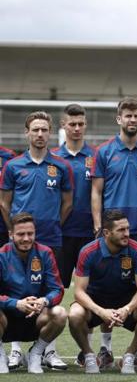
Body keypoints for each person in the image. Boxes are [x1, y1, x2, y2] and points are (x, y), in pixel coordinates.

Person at [91, 97, 137, 368]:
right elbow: (96, 191)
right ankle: (105, 349)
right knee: (105, 287)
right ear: (119, 119)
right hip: (110, 231)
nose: (132, 120)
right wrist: (99, 225)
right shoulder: (104, 151)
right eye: (128, 116)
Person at [0, 111, 73, 370]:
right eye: (36, 130)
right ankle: (15, 351)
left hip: (51, 239)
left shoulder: (61, 166)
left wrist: (52, 224)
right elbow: (4, 202)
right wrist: (16, 231)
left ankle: (47, 351)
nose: (40, 134)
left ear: (50, 133)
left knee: (50, 293)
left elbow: (67, 203)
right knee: (16, 289)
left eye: (44, 130)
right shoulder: (13, 166)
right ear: (27, 132)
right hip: (18, 240)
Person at [52, 104, 105, 368]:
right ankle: (49, 349)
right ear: (63, 125)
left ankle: (88, 351)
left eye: (80, 123)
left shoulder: (96, 157)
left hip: (90, 236)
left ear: (85, 125)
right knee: (54, 291)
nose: (76, 128)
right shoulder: (52, 157)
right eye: (71, 123)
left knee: (91, 293)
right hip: (59, 236)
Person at [68, 210, 137, 374]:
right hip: (96, 301)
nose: (127, 233)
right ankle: (89, 355)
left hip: (126, 300)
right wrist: (101, 311)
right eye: (121, 230)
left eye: (127, 229)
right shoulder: (88, 251)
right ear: (106, 233)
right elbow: (78, 292)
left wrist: (127, 309)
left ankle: (130, 355)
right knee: (74, 314)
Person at [0, 212, 67, 374]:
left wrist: (44, 301)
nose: (26, 238)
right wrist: (16, 303)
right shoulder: (1, 255)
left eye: (30, 233)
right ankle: (1, 356)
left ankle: (36, 354)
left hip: (36, 317)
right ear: (11, 235)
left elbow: (57, 289)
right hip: (6, 320)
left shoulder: (45, 253)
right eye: (21, 234)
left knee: (60, 313)